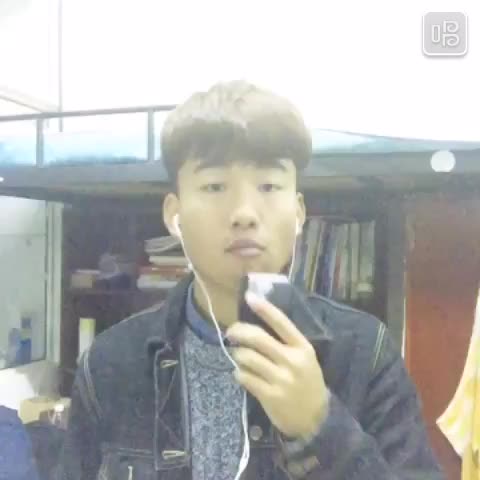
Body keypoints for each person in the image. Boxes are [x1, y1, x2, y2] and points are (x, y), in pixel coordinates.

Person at [57, 80, 444, 479]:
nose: (244, 212)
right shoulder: (109, 364)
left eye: (269, 186)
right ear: (175, 215)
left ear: (298, 213)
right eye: (214, 186)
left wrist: (321, 425)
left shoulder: (365, 352)